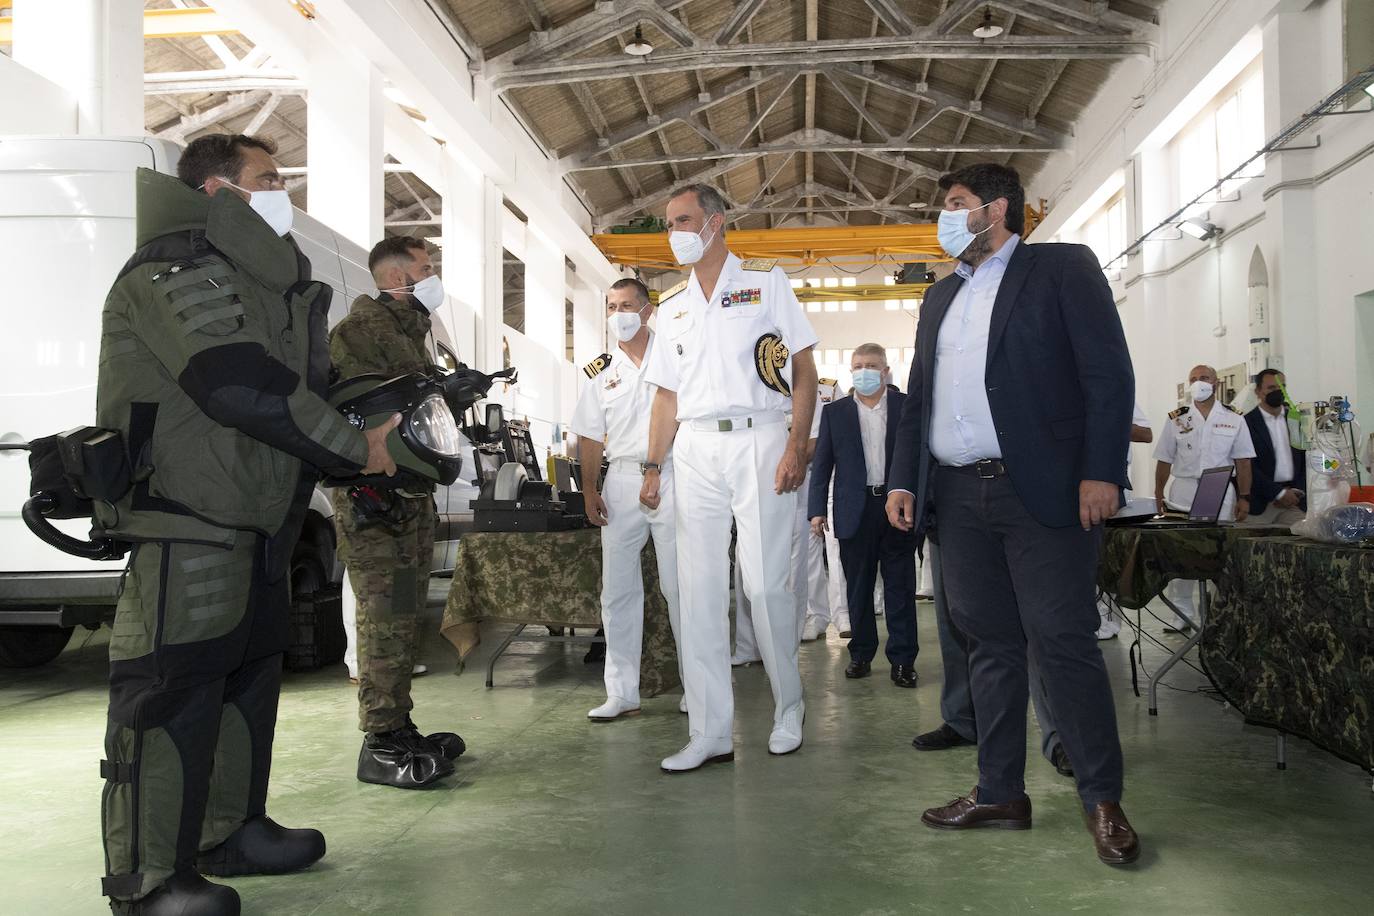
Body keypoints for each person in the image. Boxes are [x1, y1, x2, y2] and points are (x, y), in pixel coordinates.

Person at [93, 133, 396, 914]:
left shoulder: (254, 276)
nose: (281, 188)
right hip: (188, 519)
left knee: (248, 681)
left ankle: (227, 831)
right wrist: (350, 449)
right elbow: (238, 384)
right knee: (170, 694)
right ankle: (147, 880)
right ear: (222, 190)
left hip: (258, 518)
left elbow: (294, 385)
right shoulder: (175, 267)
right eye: (269, 177)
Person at [886, 162, 1140, 866]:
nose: (945, 216)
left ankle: (1102, 800)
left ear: (995, 211)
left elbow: (1108, 373)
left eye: (956, 204)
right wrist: (903, 481)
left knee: (1062, 641)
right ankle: (1000, 790)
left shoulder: (1060, 269)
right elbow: (920, 401)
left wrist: (1101, 471)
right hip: (958, 497)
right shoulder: (938, 300)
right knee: (987, 645)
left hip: (1045, 492)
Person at [640, 183, 818, 772]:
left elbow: (803, 370)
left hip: (760, 439)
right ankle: (710, 730)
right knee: (699, 593)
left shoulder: (766, 284)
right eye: (669, 223)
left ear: (715, 223)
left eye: (683, 219)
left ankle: (788, 708)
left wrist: (796, 444)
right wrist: (652, 466)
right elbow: (665, 397)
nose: (674, 232)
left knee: (766, 585)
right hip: (694, 449)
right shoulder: (671, 307)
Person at [329, 237, 466, 790]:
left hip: (407, 493)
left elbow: (412, 409)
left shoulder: (411, 333)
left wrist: (451, 393)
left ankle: (399, 724)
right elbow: (360, 411)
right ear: (396, 277)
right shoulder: (360, 332)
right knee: (383, 617)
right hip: (374, 495)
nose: (433, 277)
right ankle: (379, 742)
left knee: (405, 614)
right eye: (425, 269)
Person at [569, 278, 683, 721]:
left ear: (648, 310)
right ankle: (621, 692)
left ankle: (697, 688)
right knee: (617, 591)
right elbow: (590, 435)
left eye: (627, 305)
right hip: (620, 483)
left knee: (680, 588)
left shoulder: (675, 357)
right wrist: (590, 488)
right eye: (612, 306)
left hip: (672, 477)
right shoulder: (602, 372)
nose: (619, 314)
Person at [808, 344, 918, 687]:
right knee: (858, 587)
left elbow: (918, 457)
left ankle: (902, 661)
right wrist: (815, 511)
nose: (864, 371)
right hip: (853, 509)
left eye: (871, 365)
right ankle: (861, 654)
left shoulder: (905, 407)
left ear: (885, 371)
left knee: (900, 586)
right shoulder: (835, 413)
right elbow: (823, 464)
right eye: (858, 366)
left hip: (895, 507)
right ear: (850, 371)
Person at [1153, 364, 1255, 632]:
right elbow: (1164, 459)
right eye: (1194, 379)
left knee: (1219, 550)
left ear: (1216, 382)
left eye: (1204, 378)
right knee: (1182, 549)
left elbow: (1243, 461)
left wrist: (1244, 497)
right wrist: (1158, 492)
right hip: (1184, 487)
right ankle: (1182, 612)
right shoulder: (1178, 418)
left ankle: (1218, 611)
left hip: (1219, 487)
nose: (1199, 383)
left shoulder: (1234, 418)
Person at [732, 376, 826, 663]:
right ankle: (748, 646)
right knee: (745, 569)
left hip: (793, 490)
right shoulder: (751, 390)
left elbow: (814, 442)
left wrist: (788, 457)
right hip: (752, 489)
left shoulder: (807, 393)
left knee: (791, 571)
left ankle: (787, 643)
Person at [1094, 401, 1154, 641]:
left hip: (1112, 480)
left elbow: (1145, 434)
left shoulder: (1119, 394)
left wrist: (1106, 421)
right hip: (1074, 482)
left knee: (1108, 553)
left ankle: (1108, 622)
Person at [1243, 368, 1306, 526]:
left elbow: (1306, 460)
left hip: (1292, 502)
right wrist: (1277, 493)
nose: (1277, 392)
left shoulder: (1295, 420)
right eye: (1271, 388)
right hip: (1259, 504)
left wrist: (1295, 493)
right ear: (1258, 391)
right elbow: (1246, 466)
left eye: (1282, 387)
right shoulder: (1246, 423)